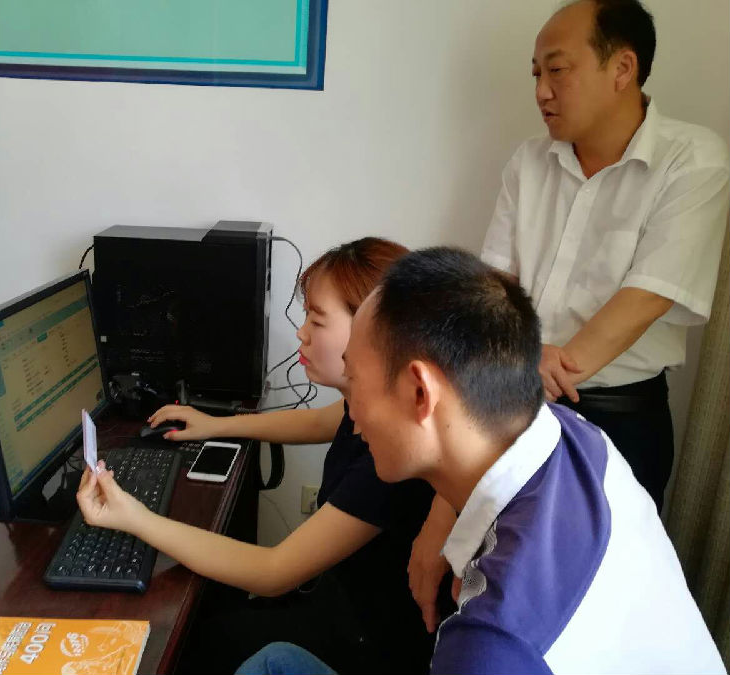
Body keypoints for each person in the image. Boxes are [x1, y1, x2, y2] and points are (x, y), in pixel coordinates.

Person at [241, 247, 725, 674]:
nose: (351, 407)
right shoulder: (577, 437)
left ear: (419, 392)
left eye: (355, 377)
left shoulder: (491, 647)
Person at [77, 237, 450, 674]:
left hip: (364, 645)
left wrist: (135, 518)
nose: (301, 333)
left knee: (187, 643)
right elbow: (321, 421)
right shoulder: (370, 407)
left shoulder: (391, 458)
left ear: (373, 330)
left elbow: (274, 572)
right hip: (339, 601)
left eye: (317, 319)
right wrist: (217, 424)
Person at [479, 0, 730, 512]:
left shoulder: (692, 159)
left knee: (605, 559)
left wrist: (547, 370)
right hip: (512, 397)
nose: (541, 91)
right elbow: (494, 285)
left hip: (620, 419)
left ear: (622, 68)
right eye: (536, 74)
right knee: (489, 550)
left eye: (556, 70)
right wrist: (524, 360)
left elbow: (648, 296)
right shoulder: (529, 162)